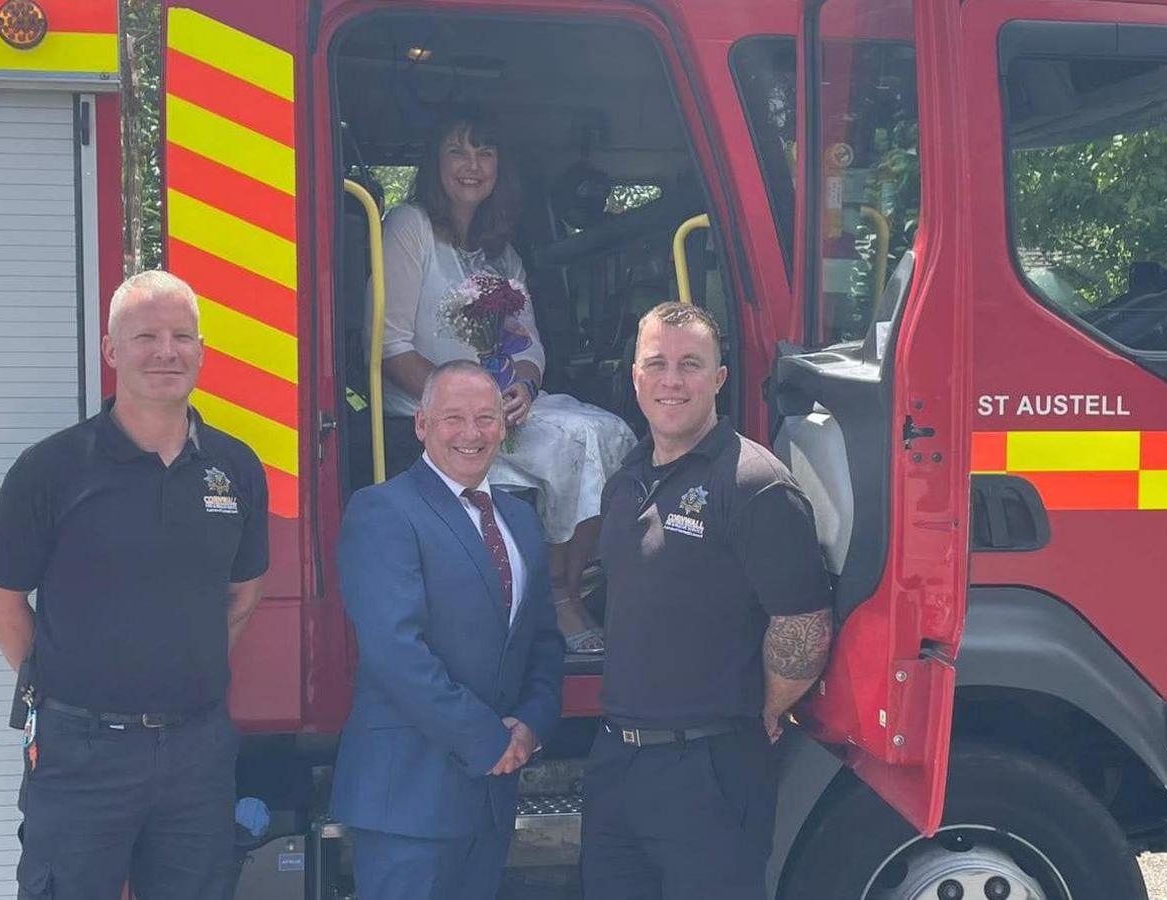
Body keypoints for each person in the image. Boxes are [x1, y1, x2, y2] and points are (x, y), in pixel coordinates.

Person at [0, 270, 269, 900]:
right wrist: (62, 689)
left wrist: (180, 670)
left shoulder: (235, 467)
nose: (166, 351)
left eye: (181, 336)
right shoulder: (50, 470)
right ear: (112, 352)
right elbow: (0, 601)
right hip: (80, 754)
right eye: (145, 337)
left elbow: (245, 592)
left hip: (198, 753)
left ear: (201, 350)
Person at [580, 303, 835, 900]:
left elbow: (804, 626)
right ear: (636, 376)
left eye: (690, 364)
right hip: (616, 761)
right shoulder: (627, 480)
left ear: (719, 378)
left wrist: (762, 709)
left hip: (710, 770)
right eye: (657, 364)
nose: (672, 380)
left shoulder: (753, 485)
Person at [372, 109, 635, 652]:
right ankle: (561, 600)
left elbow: (529, 342)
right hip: (427, 409)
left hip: (498, 402)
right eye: (458, 151)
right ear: (434, 163)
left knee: (608, 431)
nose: (473, 165)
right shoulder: (409, 227)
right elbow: (390, 345)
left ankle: (564, 583)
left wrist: (525, 387)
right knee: (573, 442)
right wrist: (466, 406)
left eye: (485, 152)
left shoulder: (502, 252)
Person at [331, 360, 565, 900]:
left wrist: (531, 725)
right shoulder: (383, 511)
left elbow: (543, 642)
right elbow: (396, 653)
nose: (471, 433)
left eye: (486, 418)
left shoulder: (520, 520)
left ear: (503, 428)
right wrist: (488, 741)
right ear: (421, 425)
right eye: (452, 417)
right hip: (407, 804)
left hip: (489, 799)